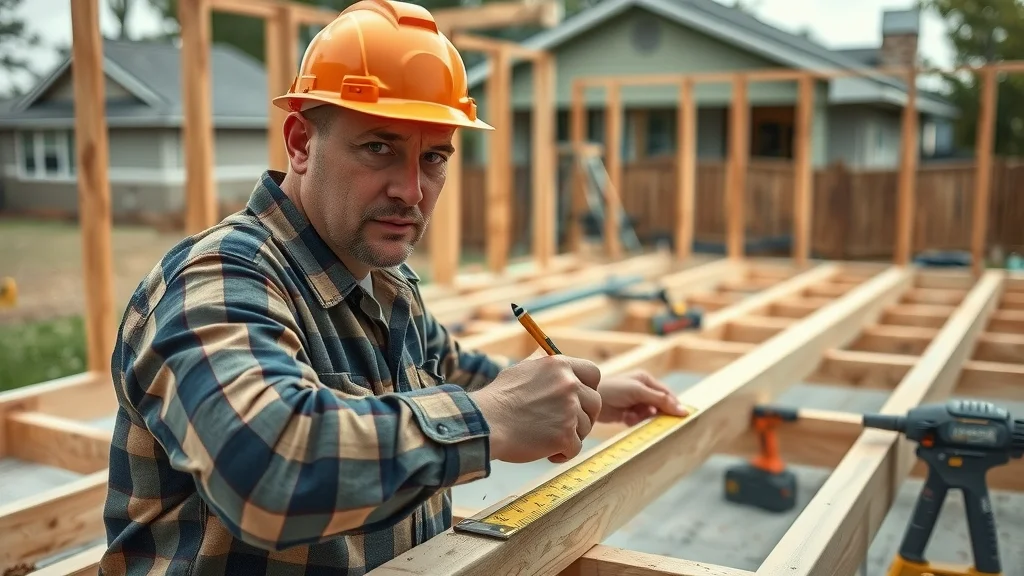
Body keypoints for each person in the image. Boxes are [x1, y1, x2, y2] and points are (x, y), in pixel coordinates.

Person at [98, 0, 687, 573]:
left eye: (433, 157)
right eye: (379, 147)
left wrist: (586, 391)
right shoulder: (219, 278)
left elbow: (450, 369)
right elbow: (268, 471)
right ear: (301, 143)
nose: (411, 189)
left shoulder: (385, 281)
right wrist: (491, 420)